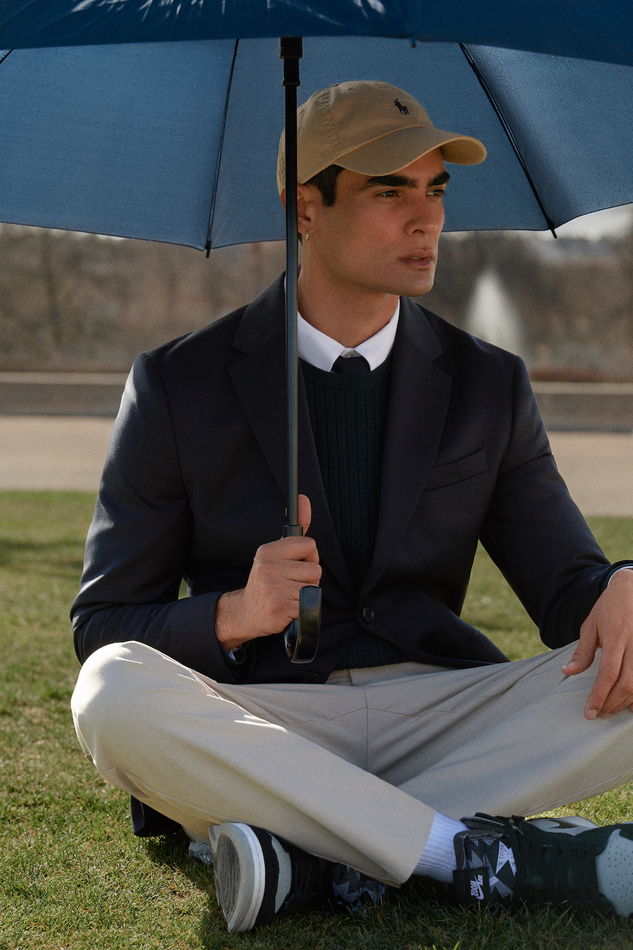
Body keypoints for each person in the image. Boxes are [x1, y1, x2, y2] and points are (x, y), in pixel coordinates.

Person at [71, 81, 633, 932]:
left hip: (440, 713)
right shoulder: (177, 383)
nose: (425, 218)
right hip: (263, 719)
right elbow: (103, 624)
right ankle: (464, 850)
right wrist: (233, 614)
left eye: (434, 190)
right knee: (110, 691)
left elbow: (566, 588)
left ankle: (304, 855)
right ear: (306, 207)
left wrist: (618, 583)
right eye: (389, 191)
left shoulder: (488, 383)